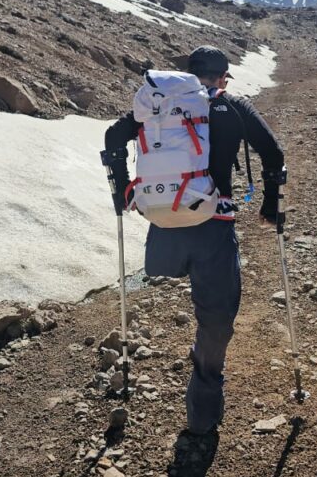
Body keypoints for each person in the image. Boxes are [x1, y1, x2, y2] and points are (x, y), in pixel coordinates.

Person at [104, 44, 285, 435]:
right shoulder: (230, 106)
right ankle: (202, 407)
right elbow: (273, 152)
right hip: (211, 230)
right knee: (215, 320)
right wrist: (270, 205)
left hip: (163, 230)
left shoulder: (159, 106)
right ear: (222, 77)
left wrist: (122, 189)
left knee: (193, 299)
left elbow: (113, 137)